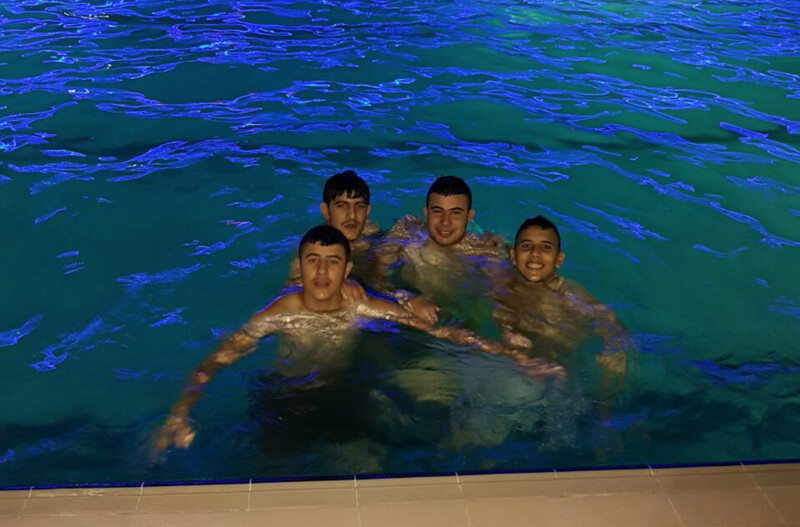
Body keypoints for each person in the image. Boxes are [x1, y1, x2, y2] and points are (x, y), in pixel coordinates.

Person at [155, 225, 561, 453]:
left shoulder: (359, 305)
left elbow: (441, 331)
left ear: (347, 269)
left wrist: (512, 355)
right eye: (312, 261)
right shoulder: (280, 313)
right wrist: (179, 413)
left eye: (332, 263)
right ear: (300, 265)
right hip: (284, 398)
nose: (321, 273)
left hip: (343, 393)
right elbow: (214, 361)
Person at [287, 170, 438, 322]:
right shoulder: (312, 250)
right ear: (326, 211)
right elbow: (292, 292)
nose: (352, 215)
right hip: (354, 320)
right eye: (341, 206)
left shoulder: (369, 232)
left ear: (367, 211)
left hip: (383, 299)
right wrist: (339, 284)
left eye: (359, 206)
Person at [495, 215, 632, 376]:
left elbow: (609, 322)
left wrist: (615, 350)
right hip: (522, 356)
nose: (535, 253)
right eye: (526, 246)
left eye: (546, 247)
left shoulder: (568, 293)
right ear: (513, 255)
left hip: (556, 366)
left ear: (559, 260)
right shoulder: (504, 279)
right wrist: (507, 330)